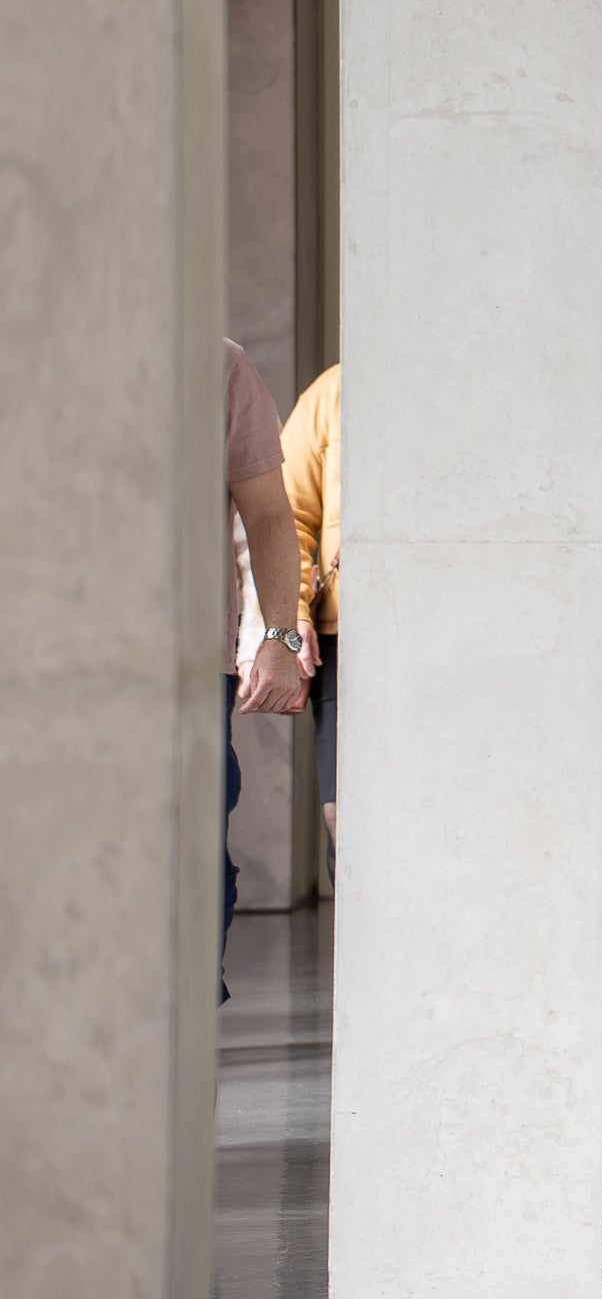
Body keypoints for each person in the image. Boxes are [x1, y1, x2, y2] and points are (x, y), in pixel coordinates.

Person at [222, 343, 311, 980]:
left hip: (182, 671)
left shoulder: (218, 364)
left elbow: (272, 516)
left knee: (195, 861)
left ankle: (185, 1031)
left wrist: (279, 638)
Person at [279, 361, 342, 858]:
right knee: (344, 812)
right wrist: (295, 611)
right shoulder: (328, 396)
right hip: (348, 639)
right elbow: (284, 517)